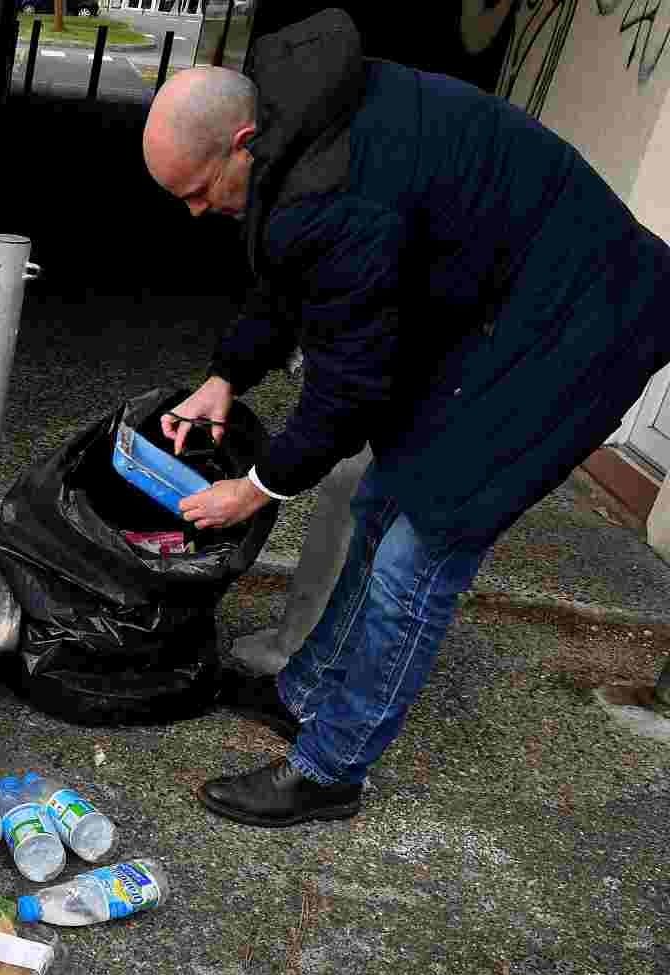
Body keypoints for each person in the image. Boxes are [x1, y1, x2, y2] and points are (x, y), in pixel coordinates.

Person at [140, 8, 670, 827]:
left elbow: (349, 385)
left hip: (576, 325)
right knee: (382, 498)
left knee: (418, 555)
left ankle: (331, 769)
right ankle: (306, 692)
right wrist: (226, 376)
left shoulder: (334, 188)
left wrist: (260, 486)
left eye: (199, 191)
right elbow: (290, 274)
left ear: (242, 140)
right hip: (505, 303)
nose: (196, 212)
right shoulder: (299, 128)